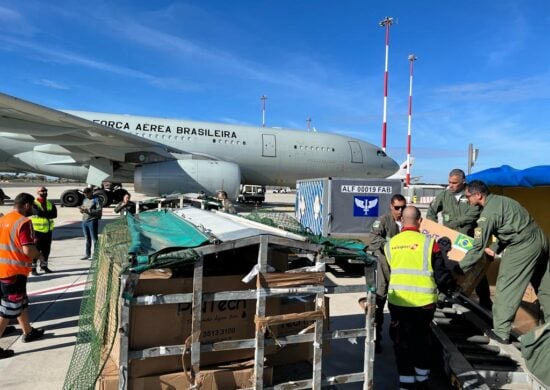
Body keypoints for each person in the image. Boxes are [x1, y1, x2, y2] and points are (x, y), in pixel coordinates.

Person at [460, 180, 550, 344]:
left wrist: (459, 269)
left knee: (507, 285)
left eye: (468, 197)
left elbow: (477, 248)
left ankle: (501, 332)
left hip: (523, 246)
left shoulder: (487, 215)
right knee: (545, 286)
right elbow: (510, 227)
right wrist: (495, 247)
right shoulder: (503, 201)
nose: (468, 200)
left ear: (478, 195)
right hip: (541, 240)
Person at [384, 206, 457, 389]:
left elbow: (391, 269)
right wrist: (451, 287)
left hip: (398, 302)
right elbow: (441, 276)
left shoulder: (390, 244)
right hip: (424, 304)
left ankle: (405, 383)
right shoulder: (430, 244)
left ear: (402, 221)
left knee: (402, 342)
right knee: (422, 341)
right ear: (420, 221)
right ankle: (422, 380)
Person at [426, 168, 492, 309]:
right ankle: (444, 296)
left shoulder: (471, 196)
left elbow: (472, 215)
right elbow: (431, 212)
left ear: (463, 182)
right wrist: (435, 230)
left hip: (467, 240)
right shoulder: (444, 196)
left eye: (454, 183)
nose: (451, 185)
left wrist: (452, 224)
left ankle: (485, 300)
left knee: (476, 270)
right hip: (449, 241)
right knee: (447, 268)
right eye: (449, 182)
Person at [0, 192, 46, 359]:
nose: (33, 209)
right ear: (26, 205)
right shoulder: (24, 223)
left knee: (22, 302)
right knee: (8, 309)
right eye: (32, 205)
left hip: (3, 270)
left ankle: (28, 331)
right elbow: (28, 249)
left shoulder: (4, 219)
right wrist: (39, 256)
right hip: (14, 272)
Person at [364, 193, 406, 353]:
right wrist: (392, 244)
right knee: (379, 304)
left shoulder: (408, 221)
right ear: (391, 206)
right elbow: (373, 239)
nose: (400, 211)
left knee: (400, 308)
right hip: (384, 268)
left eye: (403, 207)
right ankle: (376, 339)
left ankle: (398, 338)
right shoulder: (383, 221)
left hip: (401, 271)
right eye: (397, 208)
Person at [30, 186, 57, 274]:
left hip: (48, 231)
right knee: (36, 250)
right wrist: (47, 214)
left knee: (46, 251)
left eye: (45, 191)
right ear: (37, 192)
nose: (44, 192)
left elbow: (54, 215)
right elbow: (38, 213)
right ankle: (33, 268)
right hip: (37, 231)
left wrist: (44, 214)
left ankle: (44, 266)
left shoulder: (50, 203)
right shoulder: (34, 204)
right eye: (42, 191)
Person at [80, 187, 102, 260]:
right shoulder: (85, 200)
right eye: (84, 194)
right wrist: (82, 210)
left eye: (87, 194)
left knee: (94, 239)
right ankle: (87, 254)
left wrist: (88, 211)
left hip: (92, 220)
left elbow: (99, 211)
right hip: (84, 221)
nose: (86, 195)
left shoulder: (96, 200)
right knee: (87, 239)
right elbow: (83, 207)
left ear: (91, 192)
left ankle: (96, 254)